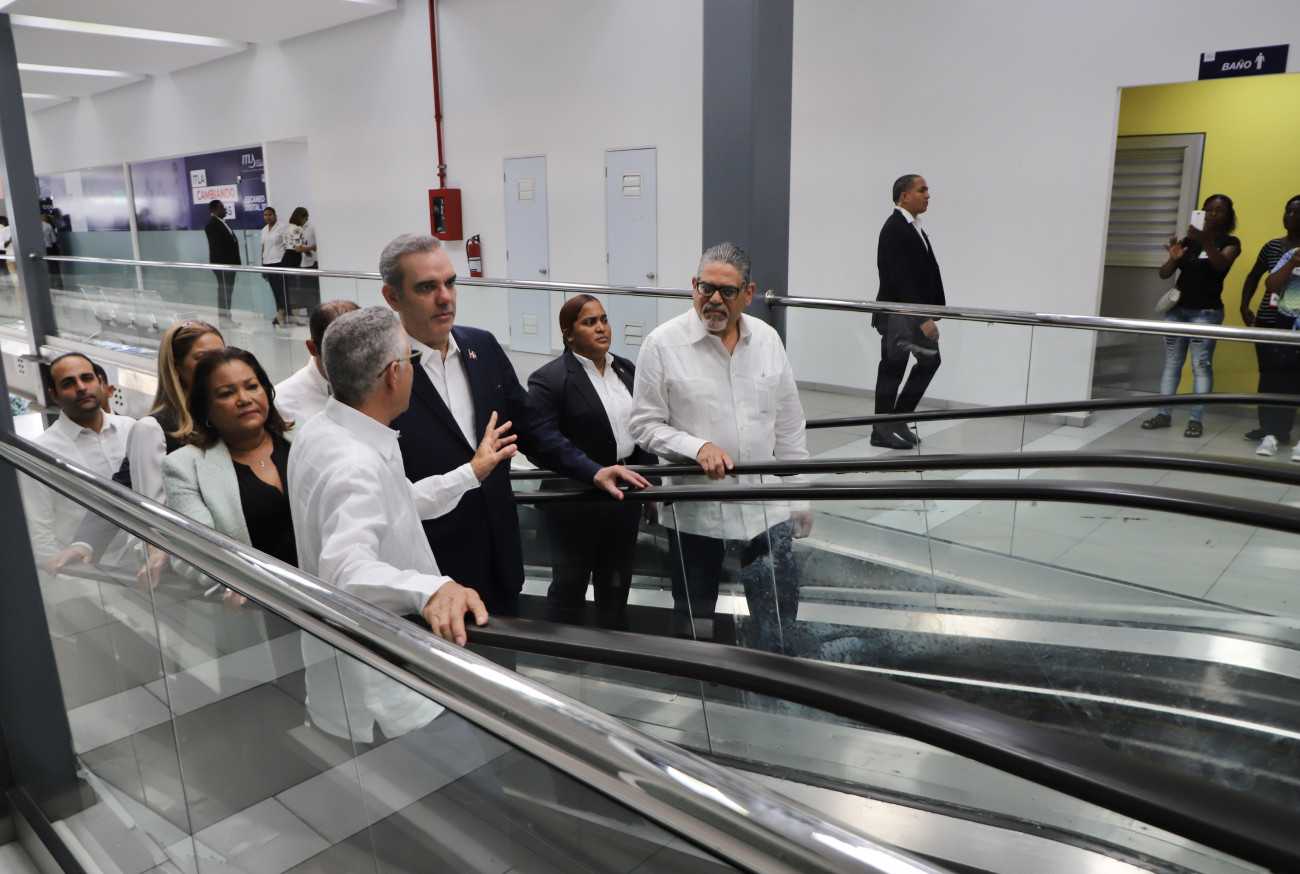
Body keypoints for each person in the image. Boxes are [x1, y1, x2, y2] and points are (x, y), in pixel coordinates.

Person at [381, 233, 650, 617]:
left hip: (498, 559)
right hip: (429, 571)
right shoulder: (382, 370)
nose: (445, 298)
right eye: (427, 287)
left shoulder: (482, 348)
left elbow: (532, 428)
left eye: (450, 283)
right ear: (393, 297)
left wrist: (593, 471)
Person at [629, 242, 811, 654]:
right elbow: (643, 424)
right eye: (705, 288)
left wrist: (799, 493)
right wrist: (695, 447)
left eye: (726, 291)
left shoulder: (767, 340)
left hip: (765, 511)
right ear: (694, 284)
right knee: (696, 622)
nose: (713, 299)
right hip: (698, 516)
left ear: (748, 294)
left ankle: (773, 677)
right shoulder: (662, 345)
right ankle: (701, 683)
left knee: (779, 615)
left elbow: (788, 423)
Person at [46, 320, 225, 578]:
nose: (217, 365)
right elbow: (131, 495)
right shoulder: (156, 428)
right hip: (197, 563)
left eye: (221, 354)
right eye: (202, 358)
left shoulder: (227, 412)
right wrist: (85, 543)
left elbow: (121, 483)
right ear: (176, 367)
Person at [527, 295, 658, 629]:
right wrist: (591, 471)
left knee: (616, 586)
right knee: (569, 588)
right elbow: (539, 445)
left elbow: (644, 427)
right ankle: (562, 655)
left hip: (623, 498)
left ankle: (613, 650)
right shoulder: (549, 379)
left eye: (604, 319)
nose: (601, 328)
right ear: (569, 334)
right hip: (574, 501)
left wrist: (651, 487)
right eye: (589, 322)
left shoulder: (625, 369)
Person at [163, 348, 297, 608]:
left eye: (252, 386)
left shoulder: (305, 438)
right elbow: (192, 552)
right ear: (205, 409)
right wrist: (233, 581)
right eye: (226, 393)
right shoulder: (185, 466)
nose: (244, 399)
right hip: (261, 607)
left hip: (332, 597)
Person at [20, 353, 136, 570]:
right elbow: (40, 535)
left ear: (100, 383)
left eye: (87, 378)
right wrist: (74, 581)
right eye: (68, 383)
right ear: (54, 395)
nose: (81, 387)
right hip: (93, 575)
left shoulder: (132, 429)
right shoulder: (40, 454)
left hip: (150, 567)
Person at [1143, 194, 1241, 438]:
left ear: (1228, 215)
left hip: (1206, 313)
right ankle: (1164, 414)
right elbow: (1164, 274)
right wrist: (1173, 258)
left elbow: (1221, 264)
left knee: (1201, 367)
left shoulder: (1230, 242)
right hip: (1177, 311)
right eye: (1208, 209)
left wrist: (1206, 240)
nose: (1212, 214)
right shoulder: (1188, 241)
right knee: (1172, 364)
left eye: (1219, 210)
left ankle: (1195, 420)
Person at [872, 174, 945, 450]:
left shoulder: (912, 227)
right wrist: (922, 318)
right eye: (922, 190)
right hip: (898, 317)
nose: (928, 195)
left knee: (930, 360)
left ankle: (898, 418)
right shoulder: (894, 228)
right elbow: (900, 279)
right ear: (904, 197)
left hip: (909, 316)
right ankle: (880, 430)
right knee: (892, 370)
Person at [1240, 196, 1300, 455]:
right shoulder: (1275, 247)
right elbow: (1255, 276)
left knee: (1290, 378)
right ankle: (1268, 429)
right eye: (1288, 211)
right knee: (1269, 377)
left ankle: (1282, 430)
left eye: (1297, 212)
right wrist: (1244, 304)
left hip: (1295, 323)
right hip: (1270, 319)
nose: (1290, 216)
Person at [274, 300, 359, 424]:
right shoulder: (282, 405)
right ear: (312, 348)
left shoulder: (380, 384)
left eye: (362, 348)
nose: (356, 360)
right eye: (341, 353)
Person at [1259, 235, 1300, 462]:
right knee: (1280, 382)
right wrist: (1292, 263)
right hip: (1286, 321)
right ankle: (1272, 435)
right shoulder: (1291, 255)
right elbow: (1271, 286)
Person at [203, 200, 241, 328]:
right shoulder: (212, 224)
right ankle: (224, 319)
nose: (225, 209)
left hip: (230, 265)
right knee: (224, 292)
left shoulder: (221, 222)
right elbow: (217, 248)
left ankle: (227, 318)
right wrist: (226, 266)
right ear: (214, 210)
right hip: (223, 266)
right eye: (221, 207)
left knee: (227, 292)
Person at [284, 206, 319, 318]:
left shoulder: (311, 228)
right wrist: (306, 249)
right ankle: (307, 315)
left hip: (310, 263)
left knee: (312, 292)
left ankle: (314, 314)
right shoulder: (294, 228)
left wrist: (307, 249)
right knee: (304, 292)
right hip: (299, 264)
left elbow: (315, 245)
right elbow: (296, 247)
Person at [260, 207, 289, 327]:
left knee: (282, 290)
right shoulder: (264, 230)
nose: (267, 217)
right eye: (265, 215)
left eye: (270, 214)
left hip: (279, 261)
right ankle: (279, 314)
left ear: (275, 215)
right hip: (268, 262)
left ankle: (281, 314)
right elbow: (263, 247)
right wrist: (262, 264)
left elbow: (287, 245)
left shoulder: (282, 227)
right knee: (275, 290)